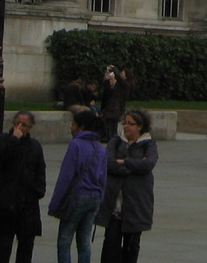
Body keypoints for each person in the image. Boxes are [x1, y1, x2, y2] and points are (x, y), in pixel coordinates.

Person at [98, 108, 158, 263]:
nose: (126, 126)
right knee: (111, 244)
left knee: (131, 245)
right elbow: (108, 163)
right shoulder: (116, 142)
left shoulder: (149, 144)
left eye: (130, 124)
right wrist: (133, 167)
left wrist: (124, 161)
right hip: (114, 204)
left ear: (140, 126)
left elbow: (149, 164)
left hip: (136, 204)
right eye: (125, 123)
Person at [48, 107, 106, 263]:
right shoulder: (101, 148)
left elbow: (66, 177)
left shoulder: (76, 145)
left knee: (64, 240)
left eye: (73, 124)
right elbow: (103, 178)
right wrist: (100, 199)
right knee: (84, 241)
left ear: (81, 127)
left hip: (77, 196)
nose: (71, 128)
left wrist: (55, 204)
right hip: (94, 197)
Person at [0, 111, 46, 263]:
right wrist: (14, 139)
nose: (20, 127)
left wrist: (38, 191)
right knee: (3, 245)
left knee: (26, 245)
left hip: (28, 204)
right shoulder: (3, 139)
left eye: (24, 125)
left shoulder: (34, 146)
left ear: (30, 127)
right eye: (17, 124)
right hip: (7, 202)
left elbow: (40, 170)